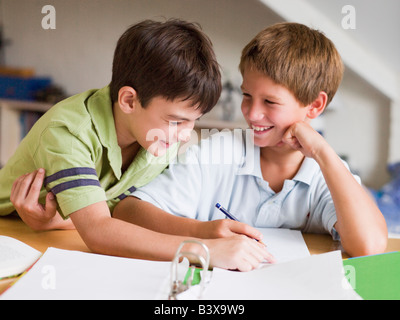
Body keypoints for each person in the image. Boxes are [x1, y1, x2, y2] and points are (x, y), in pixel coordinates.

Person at [1, 19, 272, 271]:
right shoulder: (68, 133)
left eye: (193, 121)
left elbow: (127, 210)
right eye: (177, 121)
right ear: (129, 101)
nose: (185, 135)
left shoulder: (154, 136)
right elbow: (98, 231)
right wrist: (204, 250)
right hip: (11, 234)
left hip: (59, 234)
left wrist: (205, 231)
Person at [112, 22, 388, 257]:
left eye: (270, 101)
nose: (252, 113)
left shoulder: (326, 172)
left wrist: (324, 153)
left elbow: (370, 246)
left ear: (315, 106)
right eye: (247, 96)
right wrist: (203, 231)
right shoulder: (219, 151)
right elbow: (128, 212)